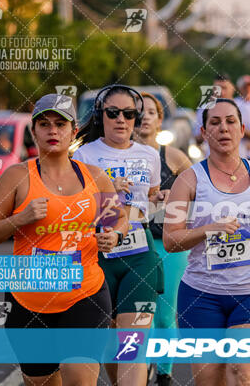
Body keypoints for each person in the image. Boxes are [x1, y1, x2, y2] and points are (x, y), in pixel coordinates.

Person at [0, 94, 127, 386]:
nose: (53, 131)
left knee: (78, 377)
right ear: (34, 132)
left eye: (60, 124)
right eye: (44, 124)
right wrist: (19, 219)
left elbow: (118, 218)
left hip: (85, 294)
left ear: (74, 131)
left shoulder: (95, 177)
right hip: (28, 300)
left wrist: (114, 235)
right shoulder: (16, 177)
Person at [163, 98, 250, 386]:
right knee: (210, 381)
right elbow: (171, 240)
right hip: (200, 295)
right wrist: (210, 229)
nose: (223, 128)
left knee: (241, 371)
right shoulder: (188, 180)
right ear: (204, 131)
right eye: (215, 122)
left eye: (230, 121)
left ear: (243, 128)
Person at [72, 85, 166, 386]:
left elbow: (150, 198)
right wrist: (108, 191)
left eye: (129, 114)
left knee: (132, 344)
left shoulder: (150, 155)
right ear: (102, 115)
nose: (121, 119)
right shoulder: (85, 155)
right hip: (98, 255)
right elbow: (77, 208)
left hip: (139, 254)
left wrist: (159, 198)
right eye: (113, 113)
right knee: (112, 342)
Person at [135, 92, 192, 386]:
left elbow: (200, 196)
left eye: (151, 113)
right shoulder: (119, 157)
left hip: (167, 244)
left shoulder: (174, 158)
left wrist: (175, 201)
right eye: (138, 112)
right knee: (134, 313)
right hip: (130, 244)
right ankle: (137, 369)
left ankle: (165, 373)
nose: (144, 117)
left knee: (164, 313)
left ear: (160, 120)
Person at [194, 73, 250, 158]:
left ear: (232, 88)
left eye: (224, 88)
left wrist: (236, 127)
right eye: (217, 88)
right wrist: (210, 130)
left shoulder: (244, 108)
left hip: (239, 161)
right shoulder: (204, 109)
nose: (221, 92)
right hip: (212, 162)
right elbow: (196, 139)